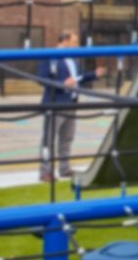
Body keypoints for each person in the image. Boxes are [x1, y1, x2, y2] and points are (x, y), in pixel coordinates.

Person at [37, 30, 105, 182]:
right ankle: (45, 171)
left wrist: (93, 74)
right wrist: (61, 84)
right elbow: (41, 78)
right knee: (49, 138)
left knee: (67, 138)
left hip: (71, 103)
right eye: (74, 42)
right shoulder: (49, 56)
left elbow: (77, 78)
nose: (76, 45)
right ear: (64, 40)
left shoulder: (72, 59)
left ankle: (64, 168)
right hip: (55, 103)